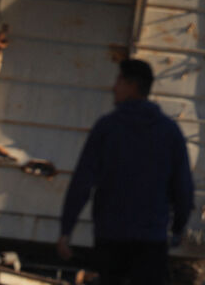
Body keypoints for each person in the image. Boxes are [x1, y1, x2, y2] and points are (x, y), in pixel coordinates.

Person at [57, 59, 194, 284]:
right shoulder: (169, 132)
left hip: (111, 238)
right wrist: (177, 227)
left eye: (119, 80)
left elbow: (82, 182)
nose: (114, 87)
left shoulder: (107, 128)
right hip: (152, 240)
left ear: (132, 85)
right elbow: (183, 188)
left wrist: (66, 230)